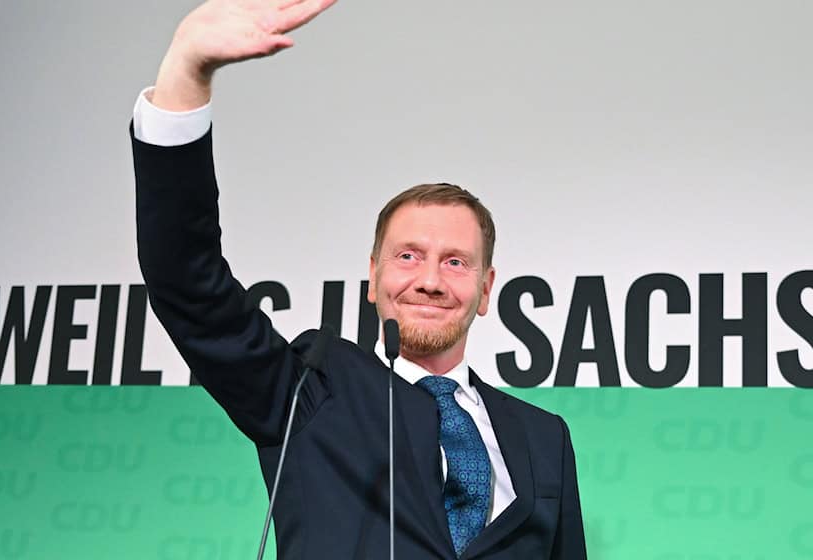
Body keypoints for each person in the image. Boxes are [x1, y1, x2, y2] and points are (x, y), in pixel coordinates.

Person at [130, 0, 586, 558]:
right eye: (409, 257)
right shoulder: (310, 390)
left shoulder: (545, 437)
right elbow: (188, 282)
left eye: (455, 262)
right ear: (372, 279)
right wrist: (185, 73)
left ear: (486, 289)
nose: (430, 280)